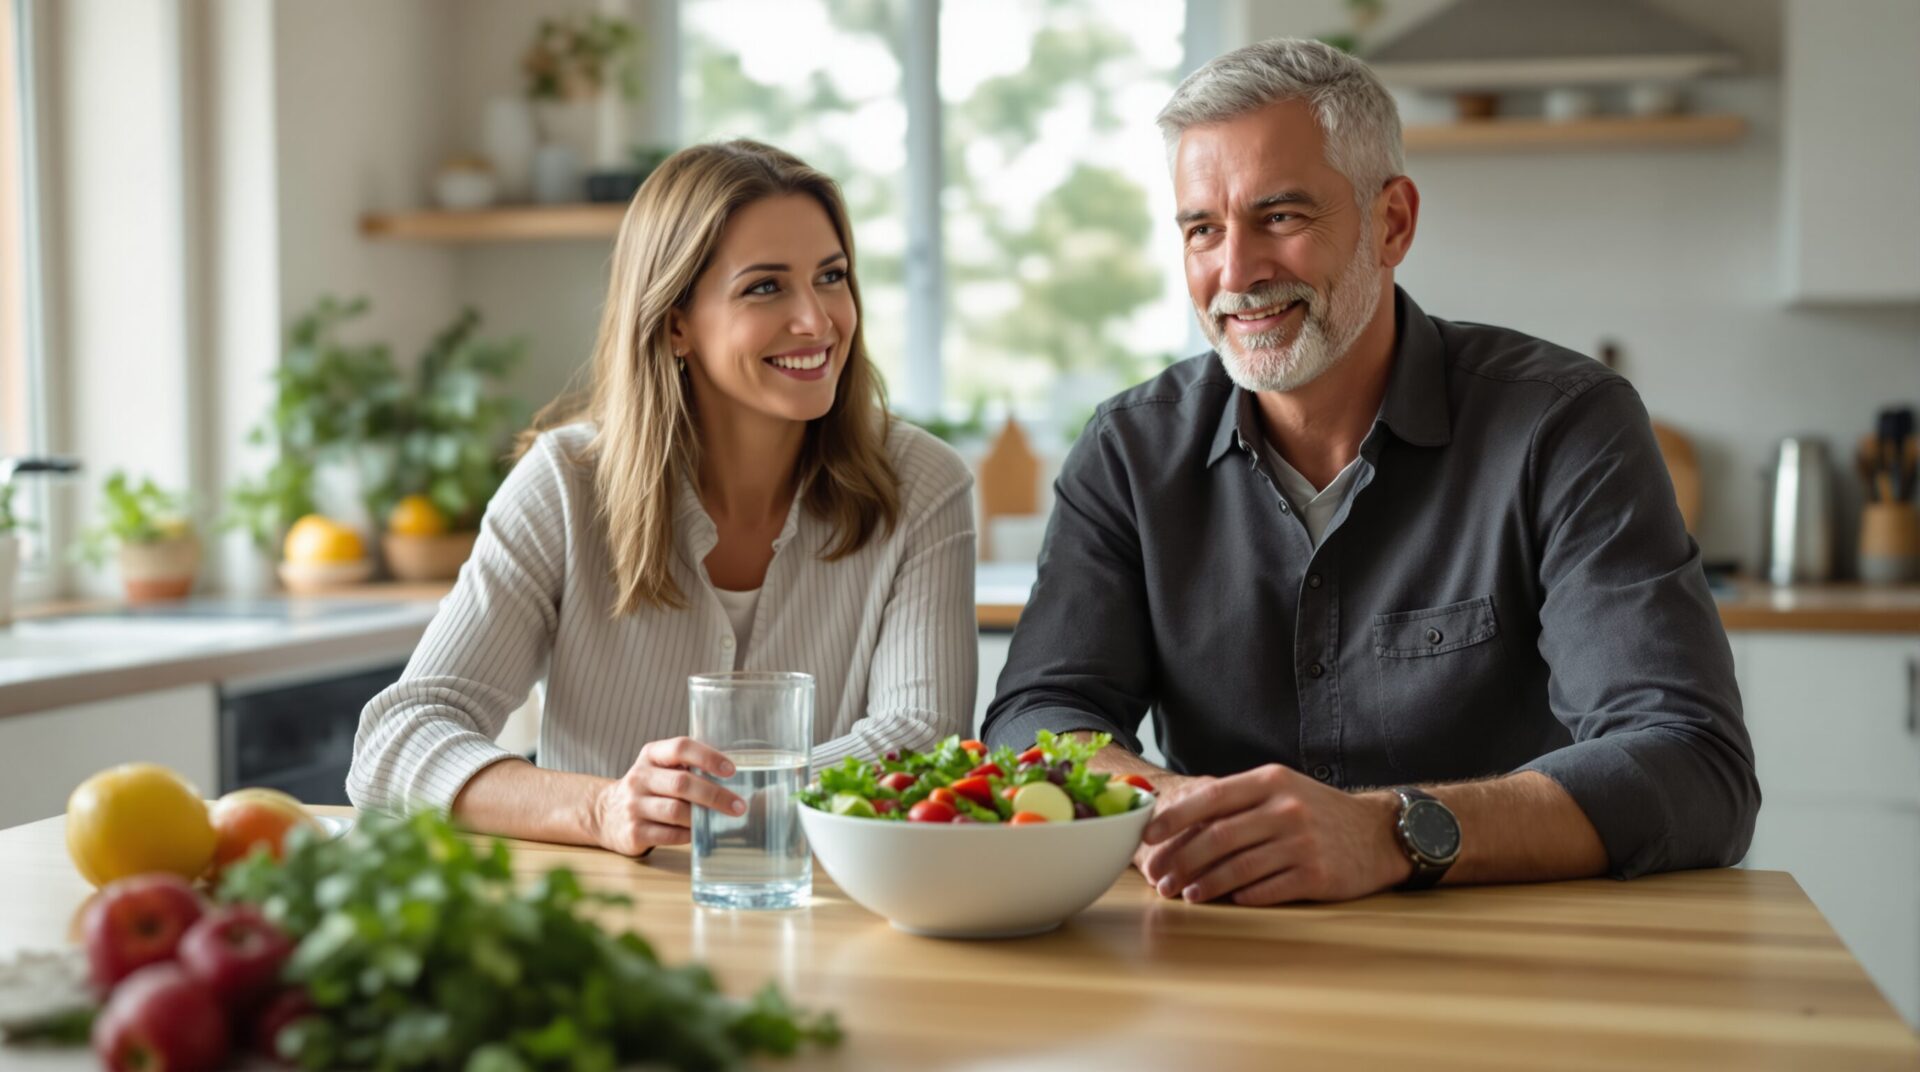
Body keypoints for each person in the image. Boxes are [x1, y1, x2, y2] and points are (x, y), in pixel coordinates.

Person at [982, 39, 1758, 905]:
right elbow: (1037, 718)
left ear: (1392, 223)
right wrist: (1172, 804)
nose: (1234, 273)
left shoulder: (1564, 425)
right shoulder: (1129, 451)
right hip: (1224, 959)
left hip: (1515, 965)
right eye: (1203, 229)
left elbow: (1693, 765)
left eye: (1280, 217)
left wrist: (1393, 833)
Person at [349, 140, 978, 856]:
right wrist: (602, 809)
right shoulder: (565, 483)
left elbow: (925, 741)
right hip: (607, 926)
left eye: (831, 277)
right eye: (765, 287)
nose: (817, 319)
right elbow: (394, 743)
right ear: (676, 322)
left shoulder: (924, 483)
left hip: (824, 914)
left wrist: (697, 800)